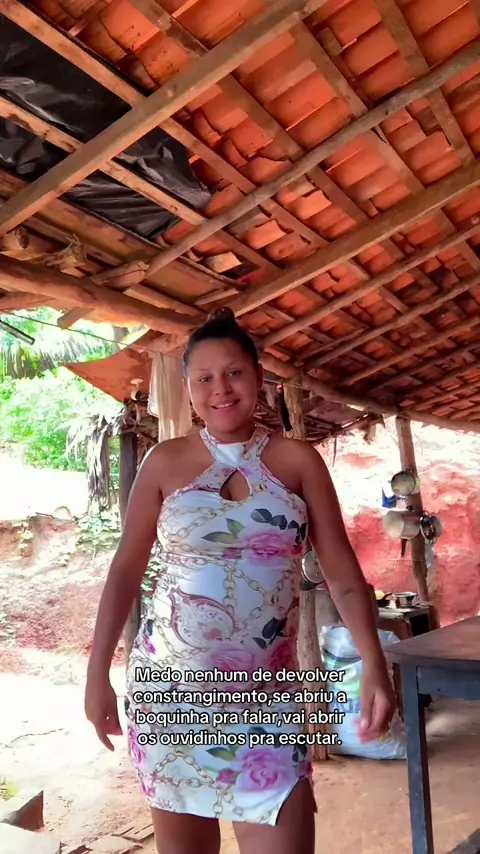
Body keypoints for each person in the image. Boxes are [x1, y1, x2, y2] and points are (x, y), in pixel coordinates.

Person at [84, 307, 395, 854]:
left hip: (269, 701)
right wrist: (96, 676)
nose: (220, 389)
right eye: (203, 378)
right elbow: (125, 571)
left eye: (233, 373)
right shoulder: (163, 462)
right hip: (170, 699)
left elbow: (342, 571)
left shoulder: (298, 461)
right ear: (187, 388)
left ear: (258, 376)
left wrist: (374, 661)